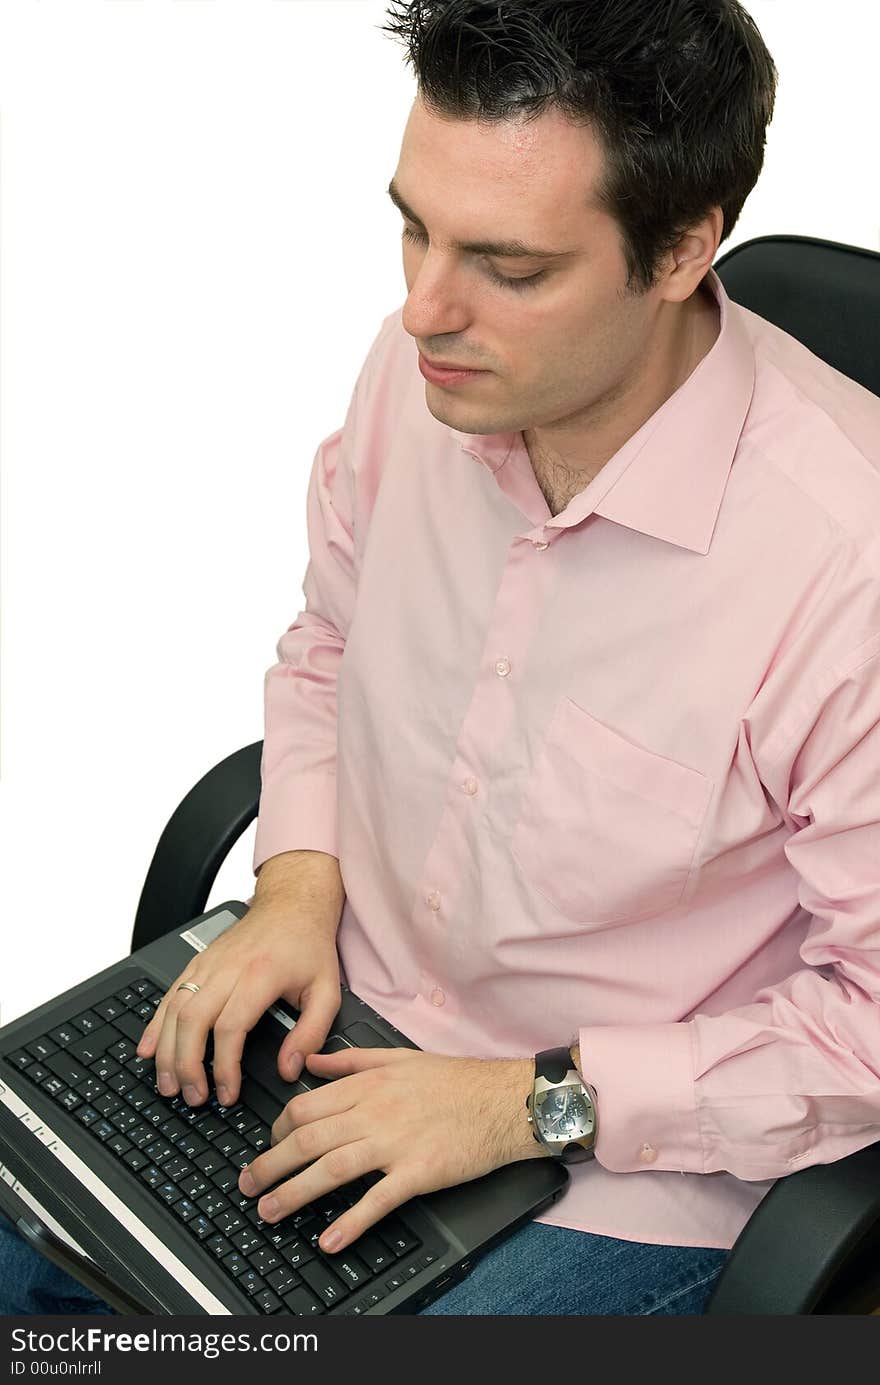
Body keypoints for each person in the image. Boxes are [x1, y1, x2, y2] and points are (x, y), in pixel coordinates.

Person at [5, 0, 880, 1317]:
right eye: (415, 226)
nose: (422, 308)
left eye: (510, 266)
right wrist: (297, 887)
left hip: (621, 1162)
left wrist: (531, 1103)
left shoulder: (845, 566)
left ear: (685, 252)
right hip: (344, 1006)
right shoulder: (434, 374)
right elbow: (330, 644)